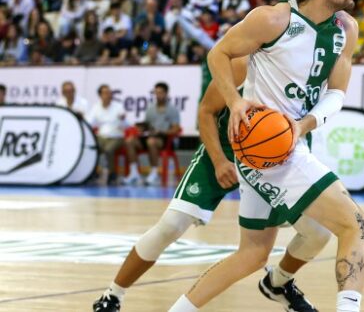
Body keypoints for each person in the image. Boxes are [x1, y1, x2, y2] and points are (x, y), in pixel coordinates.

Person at [169, 0, 364, 311]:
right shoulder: (274, 20)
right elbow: (218, 53)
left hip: (284, 142)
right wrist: (234, 100)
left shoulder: (347, 29)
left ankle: (270, 286)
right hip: (270, 149)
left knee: (252, 254)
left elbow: (337, 95)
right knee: (356, 227)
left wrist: (303, 124)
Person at [93, 58, 330, 312]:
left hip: (271, 162)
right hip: (222, 152)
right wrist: (218, 161)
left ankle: (279, 283)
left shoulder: (308, 72)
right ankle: (113, 295)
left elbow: (304, 127)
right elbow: (206, 111)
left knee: (318, 231)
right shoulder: (242, 65)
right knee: (171, 225)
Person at [122, 82, 181, 186]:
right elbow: (147, 125)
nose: (158, 95)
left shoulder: (172, 109)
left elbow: (176, 129)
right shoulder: (150, 108)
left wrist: (162, 131)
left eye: (161, 92)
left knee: (151, 142)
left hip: (165, 139)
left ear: (166, 93)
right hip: (149, 136)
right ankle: (134, 173)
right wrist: (141, 128)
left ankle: (154, 173)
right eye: (156, 93)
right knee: (129, 140)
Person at [86, 84, 126, 186]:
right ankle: (93, 172)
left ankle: (112, 174)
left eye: (110, 93)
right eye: (105, 93)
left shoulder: (118, 107)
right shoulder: (96, 107)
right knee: (93, 148)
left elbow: (127, 124)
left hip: (116, 136)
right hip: (101, 136)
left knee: (109, 149)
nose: (108, 95)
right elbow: (90, 123)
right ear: (100, 95)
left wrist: (123, 119)